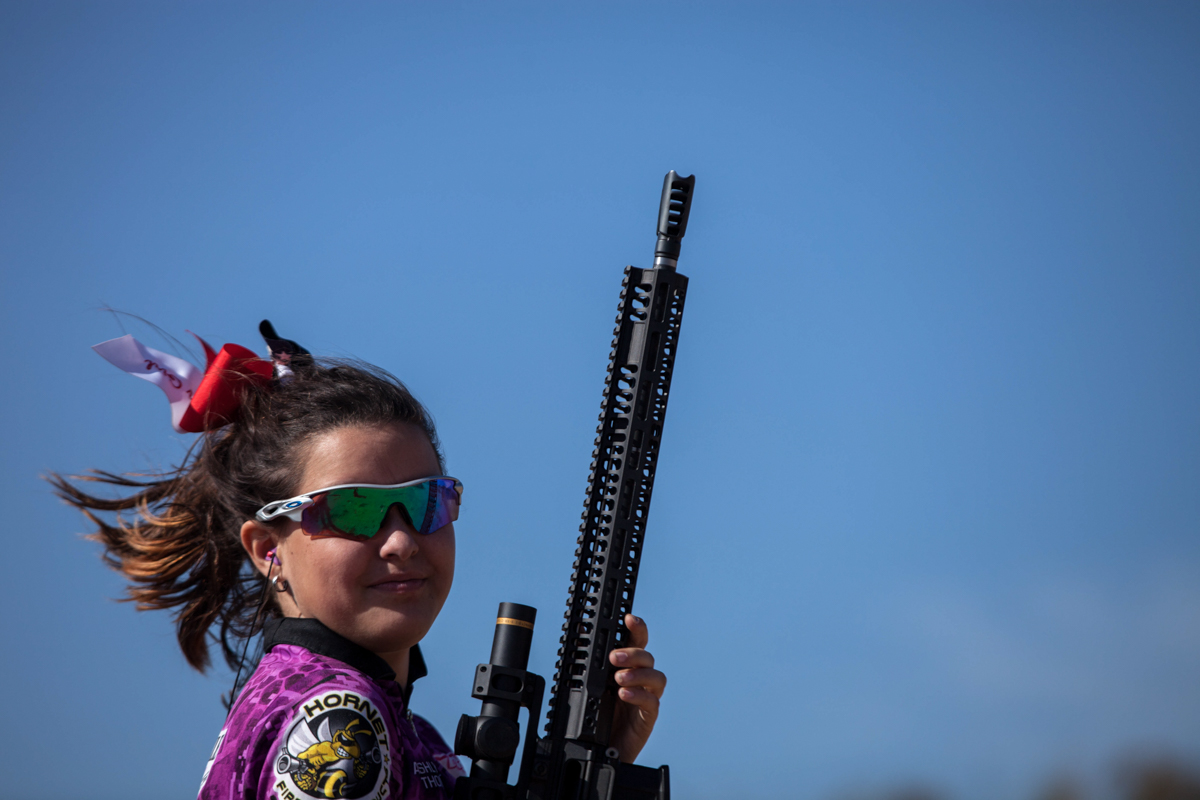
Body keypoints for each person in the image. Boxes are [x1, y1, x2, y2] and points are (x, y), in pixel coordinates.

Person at [52, 324, 667, 800]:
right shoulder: (342, 719)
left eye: (425, 502)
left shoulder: (395, 726)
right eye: (352, 510)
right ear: (268, 549)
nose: (401, 541)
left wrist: (602, 755)